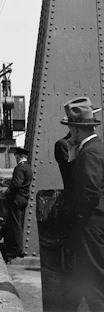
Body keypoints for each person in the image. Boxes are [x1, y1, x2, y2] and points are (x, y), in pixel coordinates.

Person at [61, 96, 104, 310]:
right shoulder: (96, 148)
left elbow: (89, 193)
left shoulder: (90, 153)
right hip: (94, 226)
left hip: (90, 227)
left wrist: (73, 219)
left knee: (94, 286)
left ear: (76, 129)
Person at [0, 146, 33, 258]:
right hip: (23, 199)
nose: (15, 158)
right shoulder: (28, 168)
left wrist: (8, 194)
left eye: (16, 156)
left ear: (20, 156)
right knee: (12, 220)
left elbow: (16, 184)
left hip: (16, 199)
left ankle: (18, 249)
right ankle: (1, 236)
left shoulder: (19, 168)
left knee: (16, 223)